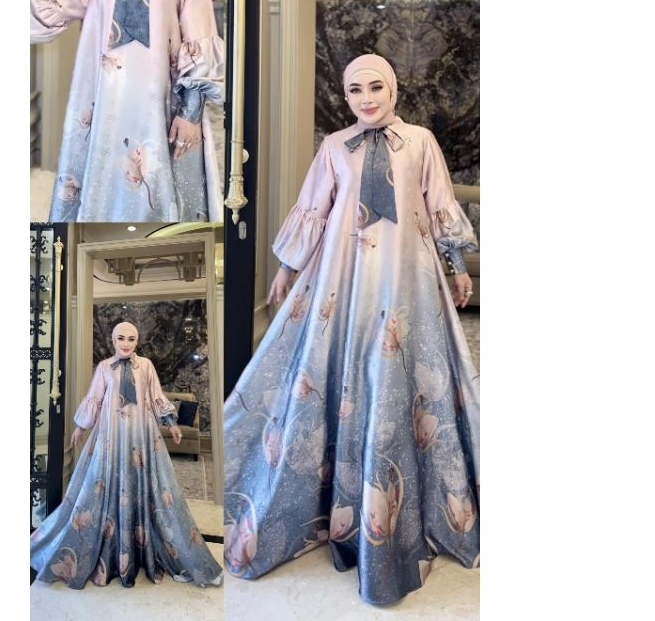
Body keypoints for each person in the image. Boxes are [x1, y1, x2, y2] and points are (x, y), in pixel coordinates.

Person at [223, 54, 479, 606]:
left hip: (407, 277)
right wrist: (288, 268)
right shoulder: (335, 146)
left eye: (375, 87)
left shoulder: (420, 142)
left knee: (401, 372)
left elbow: (439, 205)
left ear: (394, 89)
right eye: (354, 90)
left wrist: (458, 266)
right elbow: (314, 209)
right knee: (335, 369)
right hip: (345, 275)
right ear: (345, 96)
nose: (366, 98)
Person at [30, 0, 224, 223]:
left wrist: (190, 113)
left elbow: (198, 39)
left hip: (161, 100)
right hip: (104, 97)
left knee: (162, 196)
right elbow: (55, 9)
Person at [31, 322, 223, 589]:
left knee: (151, 487)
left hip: (141, 436)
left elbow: (156, 396)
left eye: (131, 339)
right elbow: (95, 399)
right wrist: (80, 428)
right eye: (121, 338)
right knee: (101, 485)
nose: (126, 343)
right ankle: (110, 552)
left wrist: (172, 424)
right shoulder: (104, 367)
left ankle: (143, 547)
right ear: (113, 340)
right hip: (111, 436)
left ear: (137, 341)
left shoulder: (146, 366)